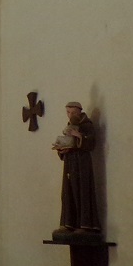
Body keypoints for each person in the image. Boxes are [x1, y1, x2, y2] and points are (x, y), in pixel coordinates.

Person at [52, 101, 100, 236]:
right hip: (70, 163)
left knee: (82, 191)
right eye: (68, 112)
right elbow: (68, 143)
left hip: (82, 163)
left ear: (79, 112)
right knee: (68, 192)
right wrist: (62, 149)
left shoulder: (87, 125)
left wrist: (79, 136)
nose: (70, 115)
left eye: (73, 112)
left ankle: (85, 224)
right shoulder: (69, 127)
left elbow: (91, 142)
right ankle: (69, 224)